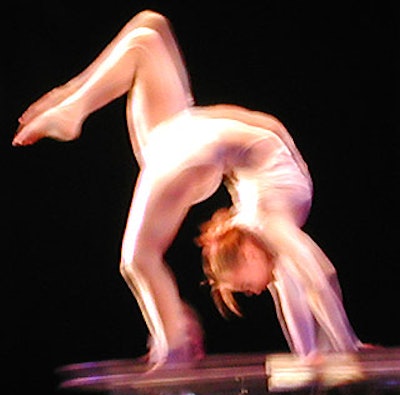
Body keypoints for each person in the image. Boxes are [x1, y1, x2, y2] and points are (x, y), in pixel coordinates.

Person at [13, 10, 366, 367]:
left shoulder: (266, 218)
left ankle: (72, 107)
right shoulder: (267, 222)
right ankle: (174, 345)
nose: (254, 291)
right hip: (190, 147)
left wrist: (310, 356)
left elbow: (293, 286)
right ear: (248, 253)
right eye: (244, 287)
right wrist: (347, 346)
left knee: (148, 37)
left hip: (194, 141)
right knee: (149, 31)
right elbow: (320, 275)